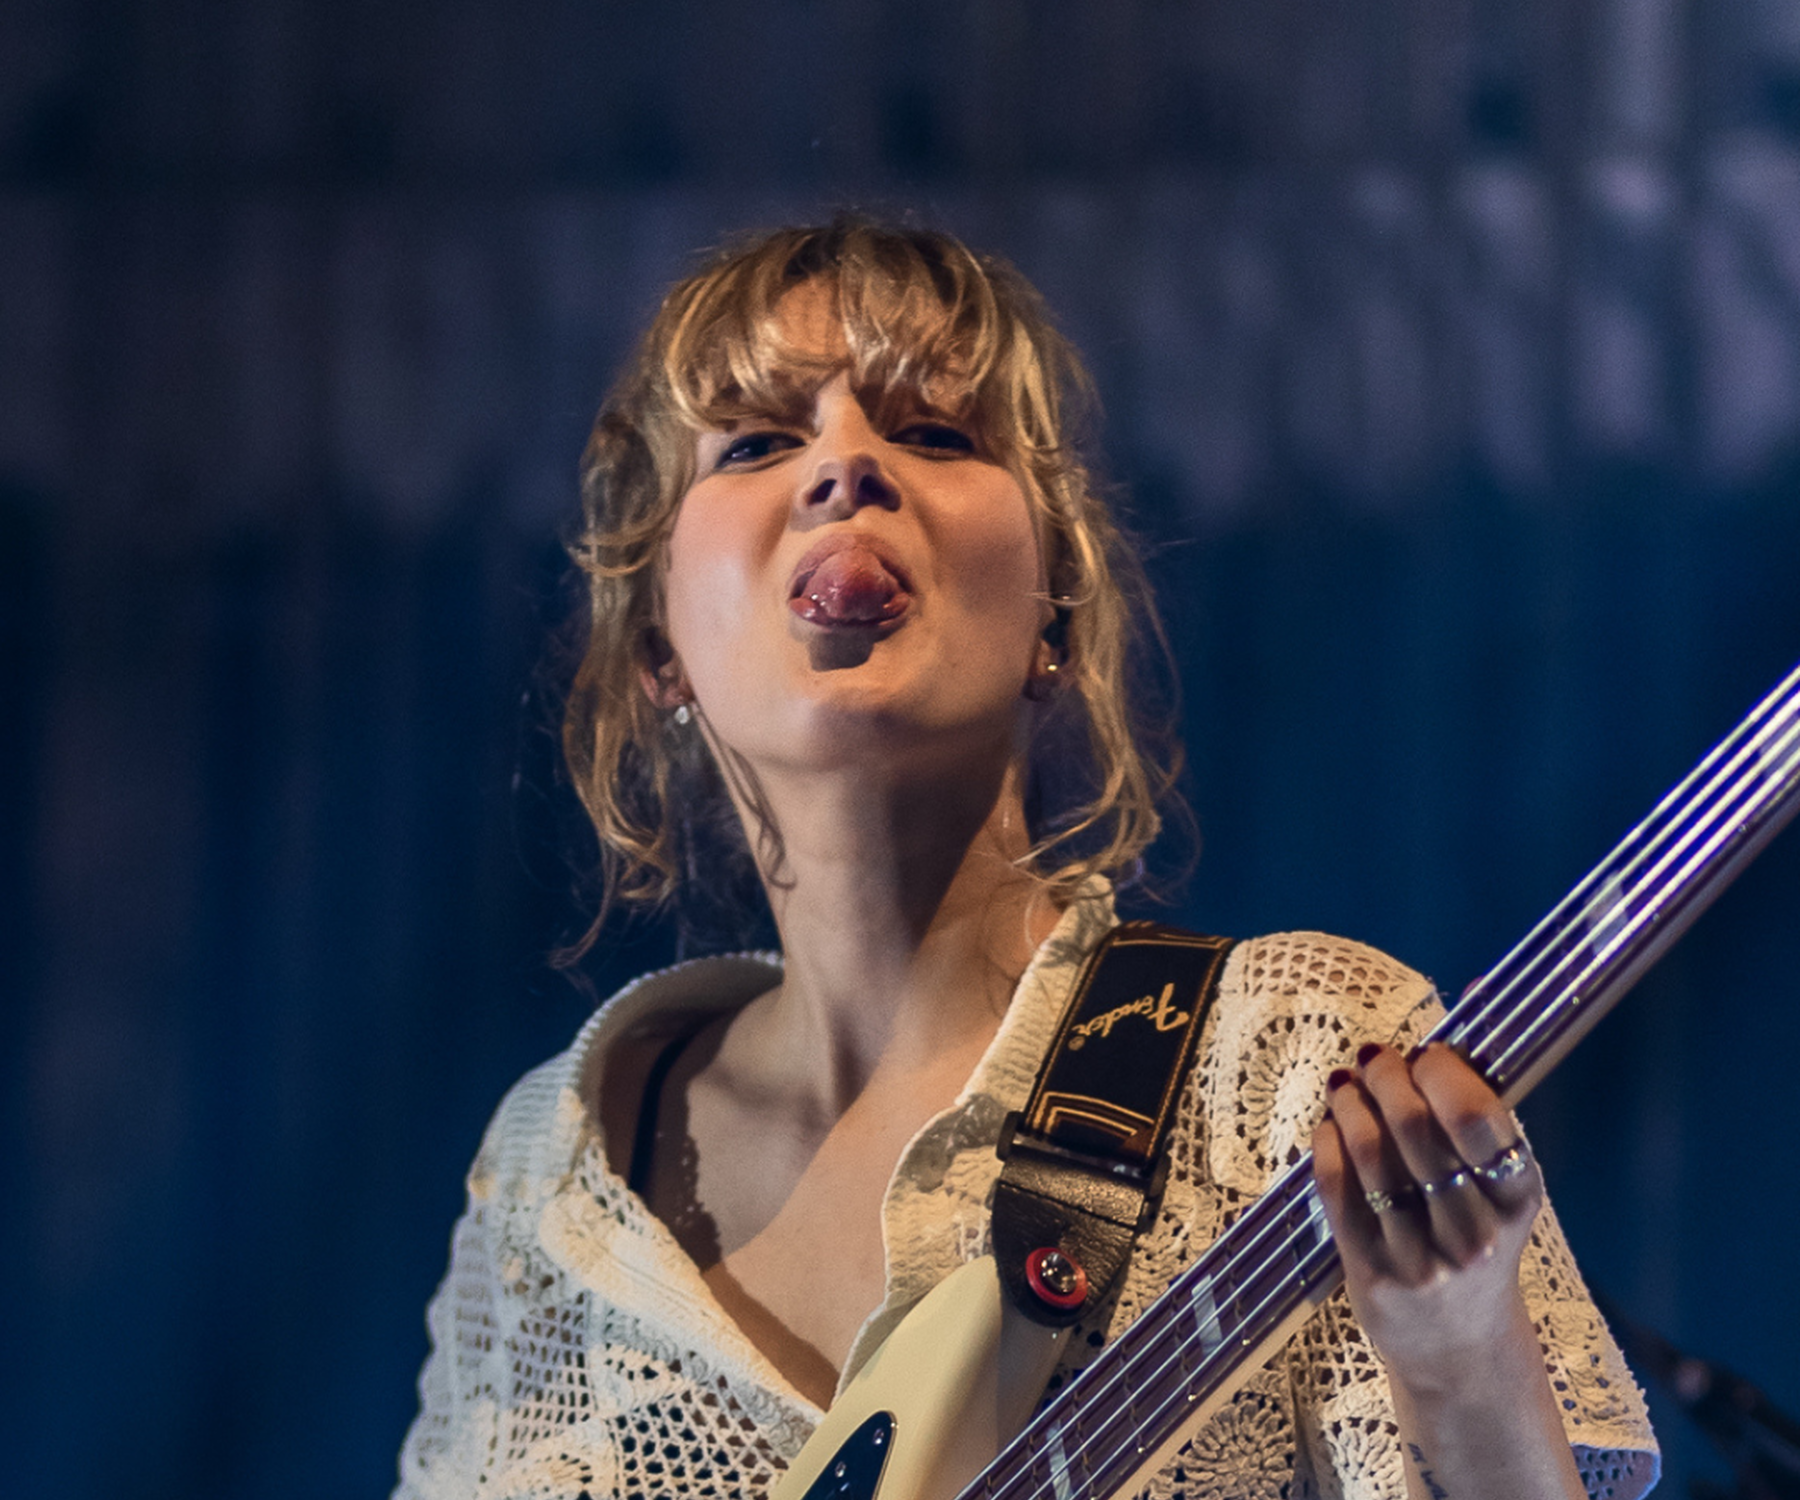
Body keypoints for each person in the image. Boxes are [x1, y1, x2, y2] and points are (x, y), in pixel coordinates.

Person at [394, 219, 1658, 1500]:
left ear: (1054, 605)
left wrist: (1456, 1351)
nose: (845, 469)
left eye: (934, 435)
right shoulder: (558, 1180)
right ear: (656, 646)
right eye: (761, 442)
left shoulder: (1290, 1061)